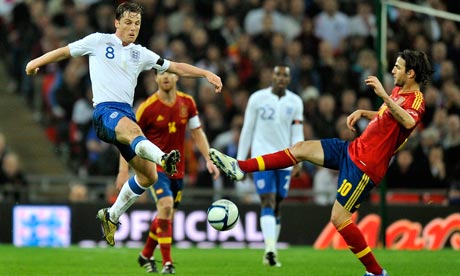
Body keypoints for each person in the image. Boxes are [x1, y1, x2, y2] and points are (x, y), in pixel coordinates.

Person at [210, 49, 433, 276]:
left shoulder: (417, 100)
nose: (393, 69)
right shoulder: (399, 91)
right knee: (301, 148)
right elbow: (389, 117)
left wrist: (384, 95)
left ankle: (376, 272)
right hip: (353, 149)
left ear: (411, 73)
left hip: (366, 166)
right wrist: (365, 112)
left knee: (339, 219)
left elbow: (406, 121)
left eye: (398, 66)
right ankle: (240, 167)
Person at [25, 2, 222, 247]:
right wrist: (36, 62)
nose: (132, 28)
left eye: (137, 23)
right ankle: (163, 158)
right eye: (128, 22)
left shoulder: (141, 53)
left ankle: (111, 215)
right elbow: (65, 51)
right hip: (105, 112)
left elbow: (175, 67)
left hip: (124, 114)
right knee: (135, 130)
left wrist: (205, 73)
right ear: (116, 22)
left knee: (148, 177)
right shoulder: (98, 41)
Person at [115, 71, 220, 274]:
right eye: (161, 73)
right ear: (155, 78)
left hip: (177, 170)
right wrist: (123, 169)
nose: (165, 77)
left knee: (167, 214)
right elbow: (127, 137)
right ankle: (167, 263)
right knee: (166, 206)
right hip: (155, 168)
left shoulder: (187, 103)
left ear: (177, 78)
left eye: (170, 73)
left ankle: (145, 255)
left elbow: (197, 132)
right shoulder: (147, 107)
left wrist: (208, 159)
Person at [236, 65, 304, 267]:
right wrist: (241, 162)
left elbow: (297, 132)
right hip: (262, 158)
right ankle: (270, 249)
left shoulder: (295, 102)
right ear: (271, 77)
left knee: (277, 204)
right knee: (268, 200)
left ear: (289, 79)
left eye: (285, 75)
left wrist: (299, 157)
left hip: (286, 159)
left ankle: (270, 251)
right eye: (277, 75)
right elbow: (247, 130)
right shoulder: (257, 99)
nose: (281, 78)